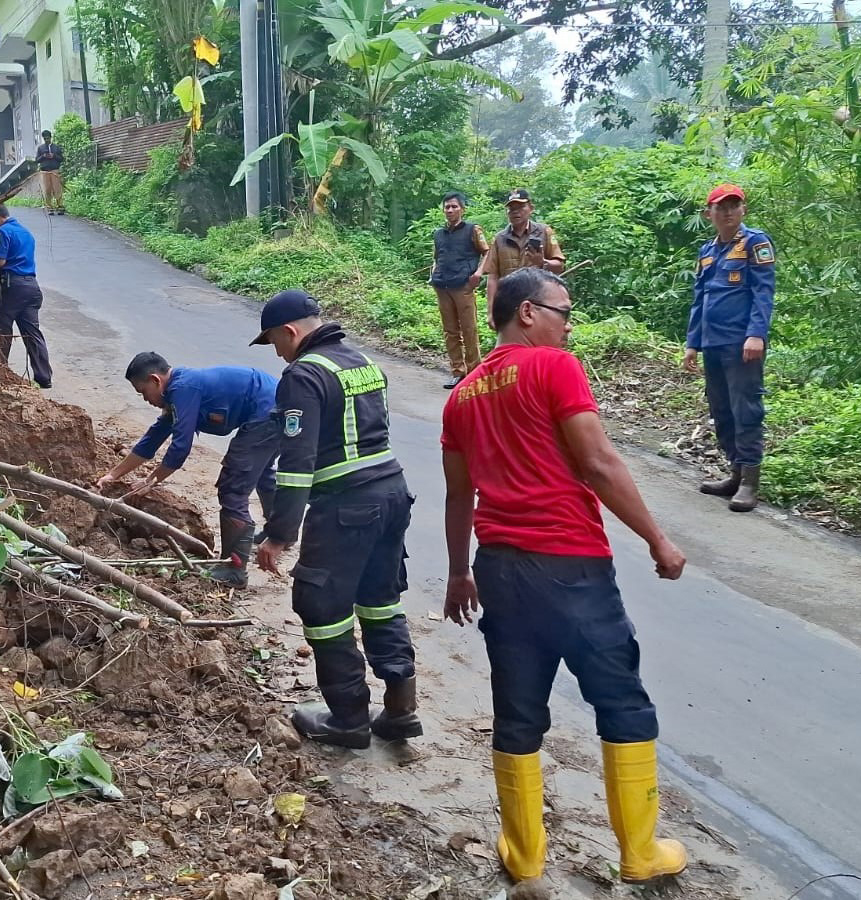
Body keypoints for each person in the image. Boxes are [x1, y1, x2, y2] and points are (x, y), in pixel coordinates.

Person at [440, 267, 688, 889]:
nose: (567, 325)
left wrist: (457, 574)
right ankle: (639, 852)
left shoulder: (459, 395)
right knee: (620, 699)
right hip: (569, 565)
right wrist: (657, 538)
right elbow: (599, 463)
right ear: (527, 313)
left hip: (498, 569)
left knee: (517, 710)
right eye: (562, 311)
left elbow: (456, 498)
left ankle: (524, 856)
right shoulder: (552, 366)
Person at [251, 290, 420, 748]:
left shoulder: (303, 375)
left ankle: (347, 719)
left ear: (290, 332)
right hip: (392, 495)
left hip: (347, 505)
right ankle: (401, 709)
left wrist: (278, 534)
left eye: (274, 342)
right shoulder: (362, 362)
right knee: (380, 599)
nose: (278, 353)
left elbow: (296, 461)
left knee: (321, 606)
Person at [96, 354, 280, 587]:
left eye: (143, 392)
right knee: (261, 471)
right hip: (273, 405)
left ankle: (235, 570)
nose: (144, 399)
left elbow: (180, 447)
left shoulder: (183, 390)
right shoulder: (176, 392)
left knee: (233, 486)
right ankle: (279, 532)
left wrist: (151, 481)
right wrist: (112, 475)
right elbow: (153, 439)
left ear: (155, 380)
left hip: (269, 410)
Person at [684, 183, 775, 513]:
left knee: (745, 409)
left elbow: (763, 293)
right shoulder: (708, 251)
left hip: (742, 344)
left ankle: (750, 481)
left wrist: (757, 335)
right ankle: (735, 472)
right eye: (720, 207)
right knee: (721, 410)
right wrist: (692, 343)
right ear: (709, 214)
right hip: (712, 343)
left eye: (733, 206)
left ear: (743, 210)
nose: (727, 212)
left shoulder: (755, 243)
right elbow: (700, 300)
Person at [0, 206, 53, 389]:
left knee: (0, 327)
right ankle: (44, 377)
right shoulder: (25, 232)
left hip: (13, 287)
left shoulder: (2, 231)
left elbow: (1, 261)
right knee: (32, 333)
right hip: (31, 287)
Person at [430, 191, 491, 389]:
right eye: (447, 207)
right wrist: (433, 273)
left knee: (469, 329)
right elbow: (437, 256)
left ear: (462, 209)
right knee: (450, 331)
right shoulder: (439, 233)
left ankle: (474, 373)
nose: (450, 210)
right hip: (442, 285)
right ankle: (457, 371)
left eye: (454, 206)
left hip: (463, 286)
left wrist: (478, 273)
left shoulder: (472, 230)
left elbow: (487, 252)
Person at [482, 189, 565, 328]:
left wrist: (542, 263)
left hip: (538, 300)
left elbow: (559, 266)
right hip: (509, 301)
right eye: (511, 208)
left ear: (531, 208)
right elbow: (493, 276)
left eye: (521, 207)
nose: (515, 212)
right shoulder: (499, 238)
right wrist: (491, 312)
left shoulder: (544, 232)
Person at [36, 130, 66, 215]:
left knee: (57, 188)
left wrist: (54, 156)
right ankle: (49, 208)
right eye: (45, 139)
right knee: (47, 190)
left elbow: (61, 159)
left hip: (55, 170)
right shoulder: (40, 148)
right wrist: (43, 156)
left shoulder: (56, 147)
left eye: (48, 138)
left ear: (50, 137)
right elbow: (37, 160)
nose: (46, 140)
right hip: (44, 171)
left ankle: (60, 206)